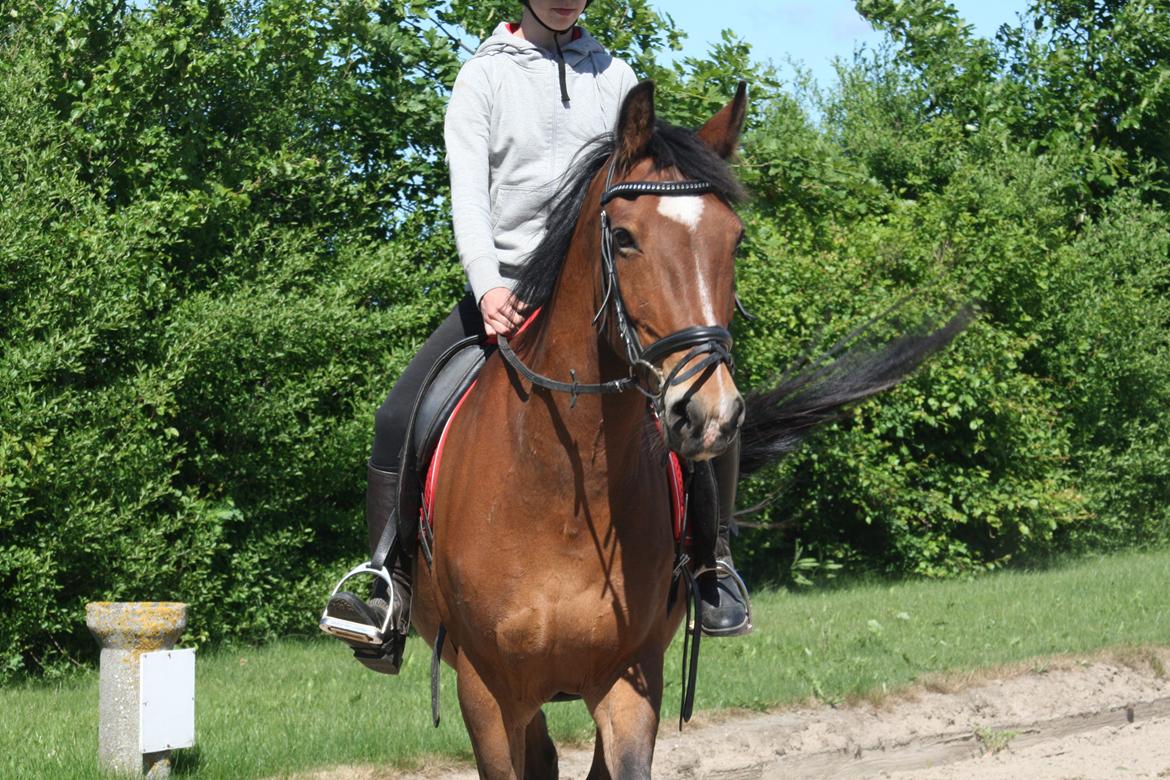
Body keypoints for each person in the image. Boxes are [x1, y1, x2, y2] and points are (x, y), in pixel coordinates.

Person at [321, 0, 751, 675]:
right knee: (398, 414)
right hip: (507, 291)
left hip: (599, 297)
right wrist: (487, 283)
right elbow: (469, 196)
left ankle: (711, 561)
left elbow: (642, 190)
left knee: (708, 393)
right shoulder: (483, 78)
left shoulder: (615, 75)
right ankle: (388, 585)